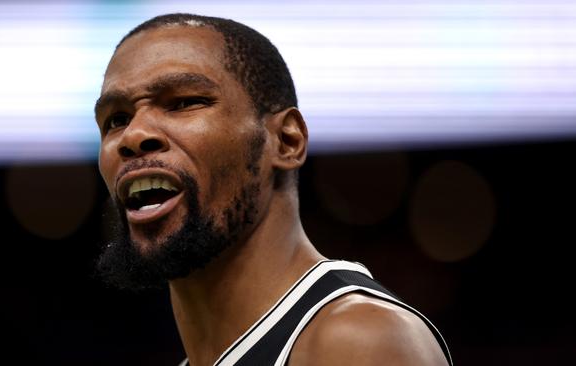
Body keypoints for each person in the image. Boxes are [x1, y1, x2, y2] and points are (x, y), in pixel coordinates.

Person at [93, 13, 452, 366]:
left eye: (184, 102)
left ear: (285, 140)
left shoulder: (354, 340)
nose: (134, 135)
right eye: (116, 120)